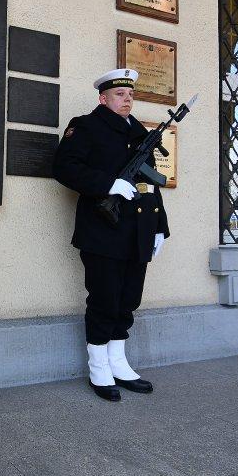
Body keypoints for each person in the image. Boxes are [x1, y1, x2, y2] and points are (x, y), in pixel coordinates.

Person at [51, 69, 168, 402]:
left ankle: (118, 361)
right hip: (104, 230)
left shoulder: (139, 131)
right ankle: (98, 366)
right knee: (104, 299)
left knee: (128, 299)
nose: (127, 99)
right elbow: (63, 167)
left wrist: (160, 227)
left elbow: (149, 184)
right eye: (119, 94)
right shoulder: (87, 126)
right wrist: (107, 184)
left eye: (130, 94)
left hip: (138, 231)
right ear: (103, 98)